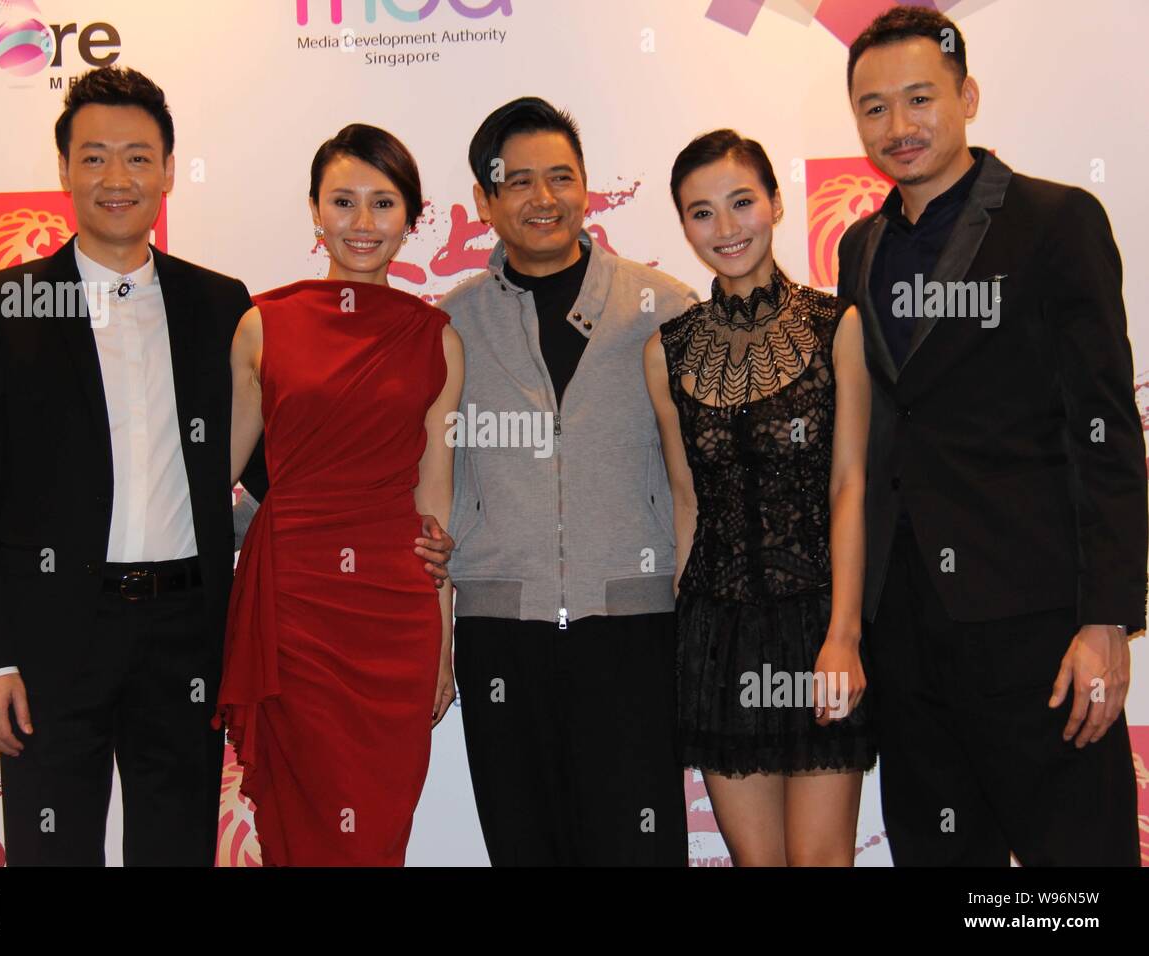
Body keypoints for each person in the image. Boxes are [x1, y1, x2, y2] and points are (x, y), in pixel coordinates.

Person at [0, 71, 453, 866]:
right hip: (51, 640)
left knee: (177, 849)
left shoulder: (223, 307)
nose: (119, 179)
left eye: (139, 158)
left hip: (188, 636)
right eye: (97, 158)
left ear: (169, 171)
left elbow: (293, 460)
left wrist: (401, 540)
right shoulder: (1, 306)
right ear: (65, 171)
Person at [838, 5, 1145, 865]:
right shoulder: (859, 249)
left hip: (1037, 623)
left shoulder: (1057, 221)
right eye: (873, 107)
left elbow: (1108, 429)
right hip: (906, 627)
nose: (898, 126)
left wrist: (1108, 619)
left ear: (966, 95)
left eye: (919, 99)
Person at [439, 97, 698, 866]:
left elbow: (701, 480)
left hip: (635, 629)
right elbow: (431, 478)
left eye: (561, 177)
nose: (542, 198)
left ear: (587, 188)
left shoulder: (662, 307)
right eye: (517, 181)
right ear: (483, 202)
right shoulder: (451, 326)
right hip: (500, 636)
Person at [215, 124, 464, 866]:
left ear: (412, 217)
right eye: (343, 201)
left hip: (394, 614)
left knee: (378, 825)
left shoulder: (435, 338)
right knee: (302, 815)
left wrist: (445, 641)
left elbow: (437, 500)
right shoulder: (264, 325)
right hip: (294, 608)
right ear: (314, 211)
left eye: (383, 203)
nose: (363, 223)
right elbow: (213, 480)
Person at [644, 130, 876, 866]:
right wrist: (683, 644)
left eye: (742, 202)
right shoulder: (668, 351)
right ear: (683, 226)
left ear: (776, 203)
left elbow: (849, 485)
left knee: (823, 861)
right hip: (717, 634)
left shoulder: (836, 326)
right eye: (701, 213)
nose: (726, 228)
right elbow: (687, 502)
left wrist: (843, 634)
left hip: (816, 626)